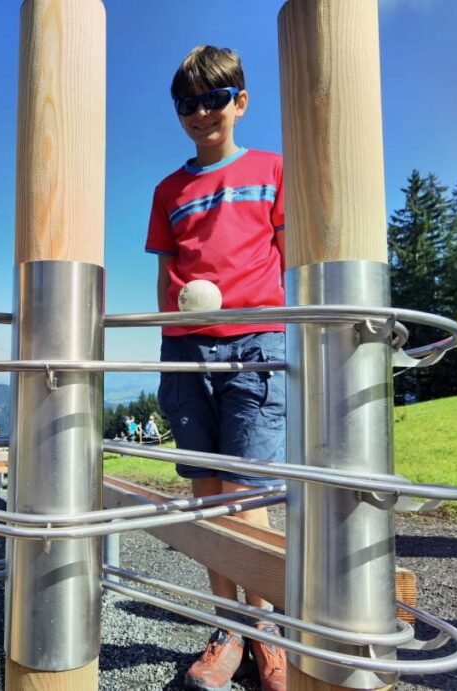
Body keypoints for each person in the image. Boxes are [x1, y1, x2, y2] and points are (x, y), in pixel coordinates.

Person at [145, 45, 287, 691]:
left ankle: (266, 632)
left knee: (248, 494)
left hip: (257, 345)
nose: (200, 113)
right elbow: (163, 275)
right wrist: (169, 337)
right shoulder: (168, 189)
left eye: (213, 98)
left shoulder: (273, 169)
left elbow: (288, 253)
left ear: (240, 101)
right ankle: (229, 628)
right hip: (186, 351)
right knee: (206, 491)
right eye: (187, 104)